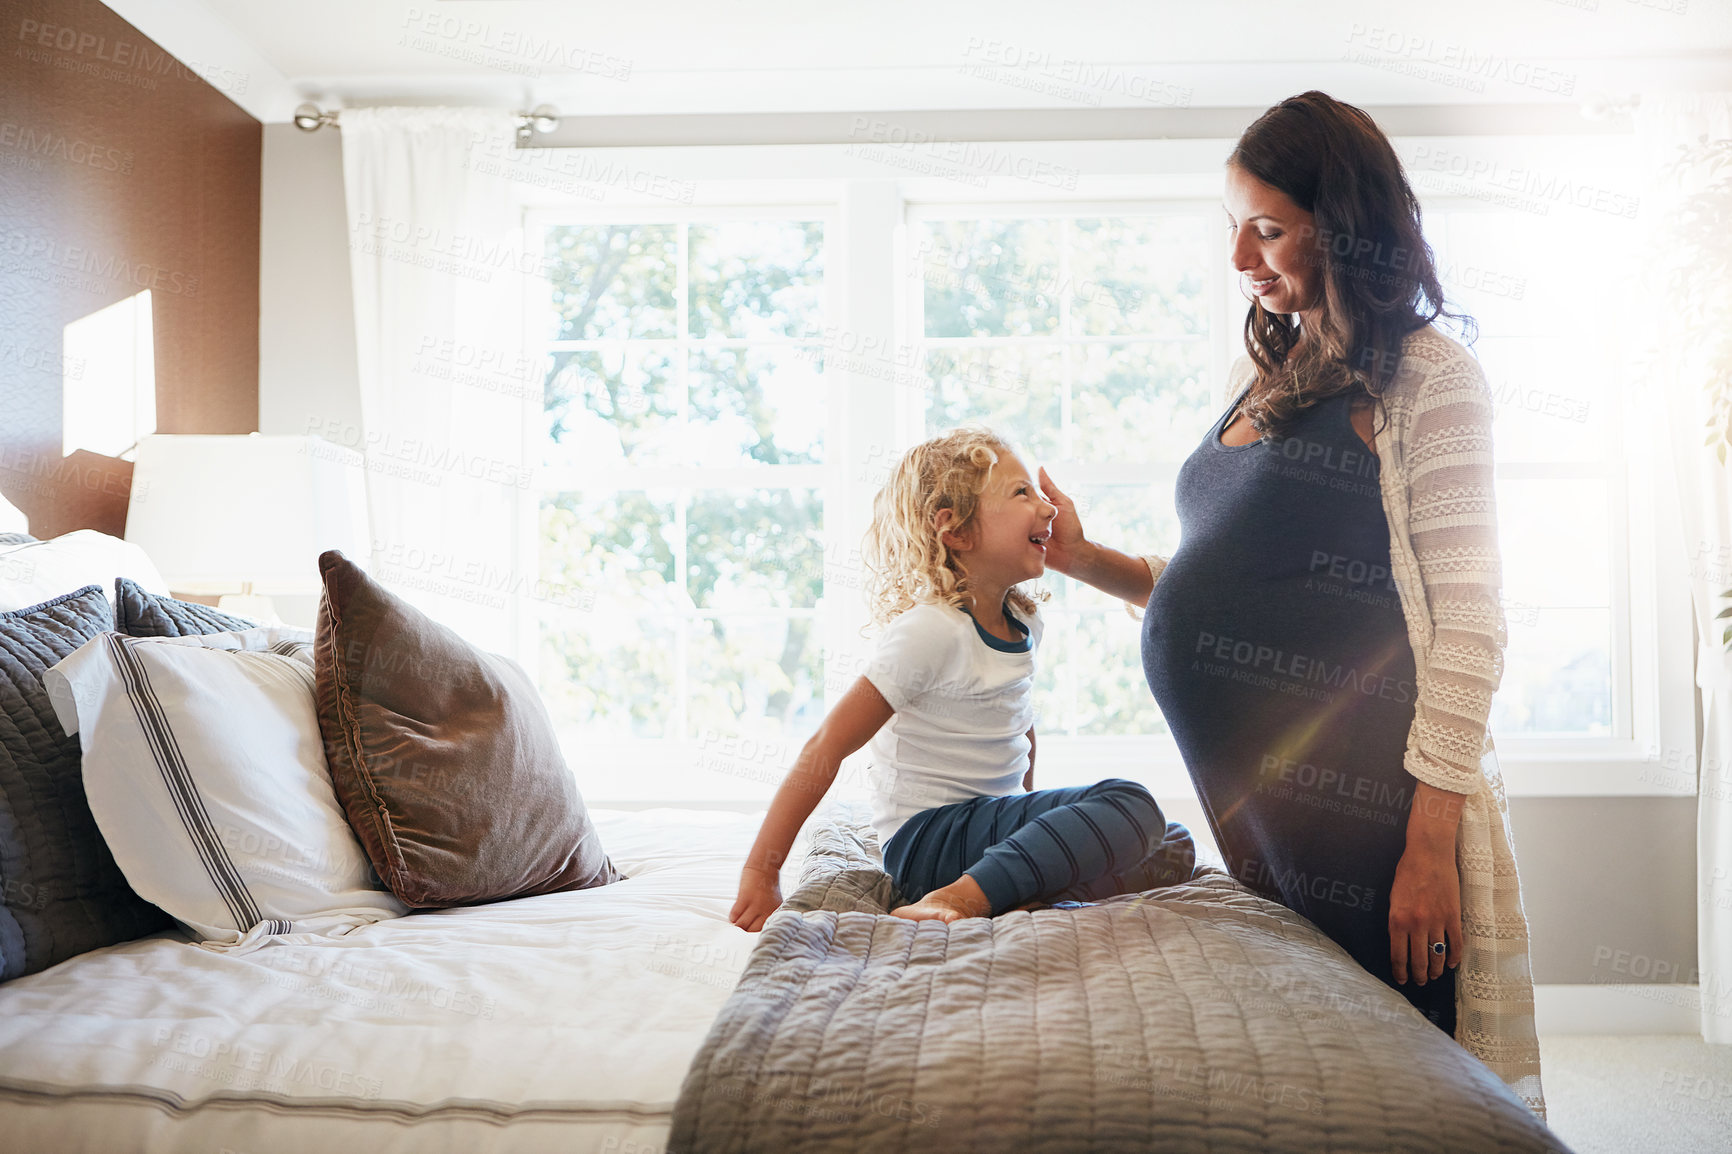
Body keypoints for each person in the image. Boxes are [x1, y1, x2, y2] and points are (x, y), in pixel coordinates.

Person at [1036, 90, 1546, 1117]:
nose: (1240, 260)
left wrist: (1425, 842)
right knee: (1308, 1077)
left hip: (1362, 811)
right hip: (1259, 813)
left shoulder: (1427, 380)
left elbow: (1471, 621)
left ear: (1347, 229)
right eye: (1233, 227)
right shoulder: (1260, 369)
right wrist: (1087, 558)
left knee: (1396, 1082)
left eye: (1266, 230)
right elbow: (1219, 582)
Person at [729, 428, 1194, 932]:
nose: (1048, 508)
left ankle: (1011, 888)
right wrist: (761, 871)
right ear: (957, 531)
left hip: (990, 826)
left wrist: (1029, 819)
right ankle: (964, 897)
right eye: (1022, 493)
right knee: (1130, 804)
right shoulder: (931, 630)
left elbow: (1020, 730)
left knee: (1173, 845)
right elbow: (827, 745)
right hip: (928, 842)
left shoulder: (1023, 622)